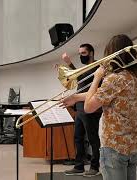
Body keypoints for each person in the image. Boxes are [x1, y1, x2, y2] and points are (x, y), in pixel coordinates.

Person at [84, 34, 137, 180]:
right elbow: (110, 96)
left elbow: (88, 107)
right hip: (133, 146)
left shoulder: (114, 79)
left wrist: (97, 77)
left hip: (114, 148)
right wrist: (75, 97)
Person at [61, 44, 102, 177]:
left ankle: (95, 167)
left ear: (91, 53)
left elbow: (82, 75)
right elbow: (78, 77)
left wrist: (69, 64)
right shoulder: (85, 67)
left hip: (91, 108)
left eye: (83, 53)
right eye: (80, 53)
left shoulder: (98, 67)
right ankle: (79, 165)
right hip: (79, 107)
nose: (81, 56)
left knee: (92, 138)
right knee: (78, 137)